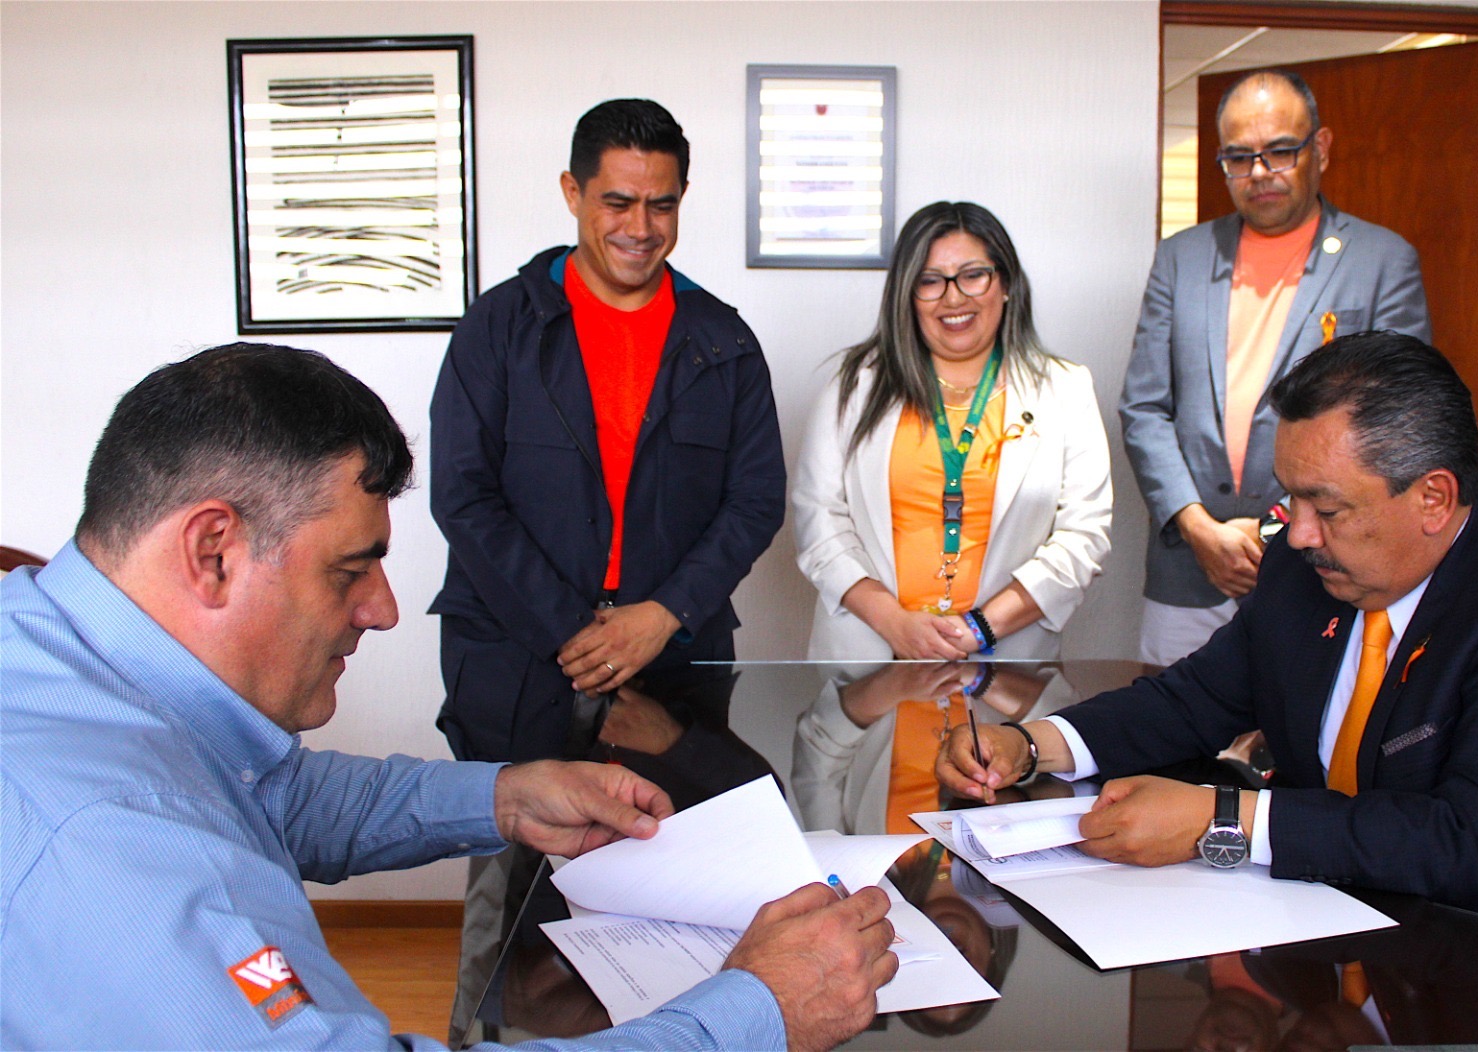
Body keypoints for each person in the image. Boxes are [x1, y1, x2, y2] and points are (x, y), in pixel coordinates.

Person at [0, 343, 896, 1051]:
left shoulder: (57, 650)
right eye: (350, 570)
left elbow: (266, 793)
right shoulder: (110, 850)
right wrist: (755, 1013)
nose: (383, 610)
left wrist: (503, 795)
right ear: (213, 552)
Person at [939, 332, 1478, 995]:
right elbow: (1197, 698)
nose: (1298, 533)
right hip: (1333, 951)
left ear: (1433, 498)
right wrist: (1033, 745)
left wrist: (1221, 820)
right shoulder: (1304, 560)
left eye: (1327, 507)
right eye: (1292, 499)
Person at [429, 98, 784, 764]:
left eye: (661, 205)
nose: (640, 228)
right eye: (617, 203)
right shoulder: (497, 327)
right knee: (516, 834)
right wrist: (575, 633)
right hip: (517, 660)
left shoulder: (724, 340)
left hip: (674, 659)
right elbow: (462, 494)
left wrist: (663, 614)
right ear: (573, 192)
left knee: (686, 830)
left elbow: (756, 501)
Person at [1122, 69, 1431, 666]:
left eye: (1280, 151)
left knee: (1303, 718)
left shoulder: (1382, 261)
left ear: (1321, 148)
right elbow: (1144, 407)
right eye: (1239, 158)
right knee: (1173, 719)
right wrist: (1198, 527)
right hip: (1190, 566)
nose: (1260, 172)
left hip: (1323, 563)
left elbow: (1396, 424)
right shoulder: (1181, 258)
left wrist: (1272, 528)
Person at [792, 201, 1112, 660]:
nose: (954, 298)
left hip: (1008, 656)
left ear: (1006, 284)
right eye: (930, 281)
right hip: (868, 652)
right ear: (906, 295)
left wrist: (978, 630)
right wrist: (895, 624)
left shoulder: (1064, 388)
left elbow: (1084, 535)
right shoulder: (855, 384)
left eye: (973, 275)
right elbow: (817, 516)